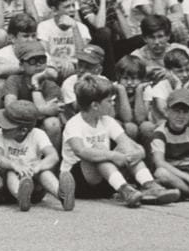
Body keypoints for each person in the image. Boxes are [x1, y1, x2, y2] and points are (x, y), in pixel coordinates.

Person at [58, 73, 176, 209]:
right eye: (109, 101)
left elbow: (127, 143)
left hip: (106, 180)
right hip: (78, 182)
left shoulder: (107, 121)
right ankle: (125, 189)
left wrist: (139, 152)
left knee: (126, 148)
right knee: (98, 152)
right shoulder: (74, 124)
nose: (113, 103)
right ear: (95, 105)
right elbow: (81, 151)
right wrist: (113, 155)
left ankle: (149, 185)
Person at [0, 99, 63, 211]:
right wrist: (14, 165)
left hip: (34, 183)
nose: (1, 127)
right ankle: (21, 196)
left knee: (45, 173)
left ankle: (62, 195)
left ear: (23, 130)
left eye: (7, 126)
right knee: (10, 172)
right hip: (9, 187)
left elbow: (53, 156)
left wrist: (38, 166)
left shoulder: (38, 134)